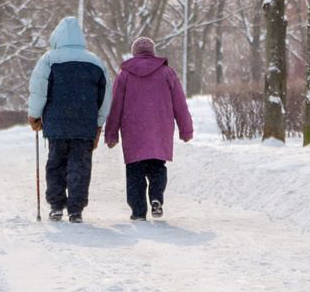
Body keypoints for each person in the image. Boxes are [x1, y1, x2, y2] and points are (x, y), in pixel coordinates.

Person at [27, 17, 111, 224]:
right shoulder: (96, 61)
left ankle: (56, 206)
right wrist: (98, 123)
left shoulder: (49, 59)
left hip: (57, 125)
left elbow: (38, 91)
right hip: (85, 125)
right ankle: (76, 209)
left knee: (56, 164)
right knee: (80, 167)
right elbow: (106, 96)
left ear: (57, 38)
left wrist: (34, 115)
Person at [104, 37, 193, 220]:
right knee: (157, 166)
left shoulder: (124, 74)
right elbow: (180, 103)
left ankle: (138, 211)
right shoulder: (167, 72)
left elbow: (116, 106)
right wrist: (186, 130)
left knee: (134, 171)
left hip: (133, 130)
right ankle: (156, 198)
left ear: (134, 53)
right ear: (153, 52)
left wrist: (111, 134)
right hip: (159, 130)